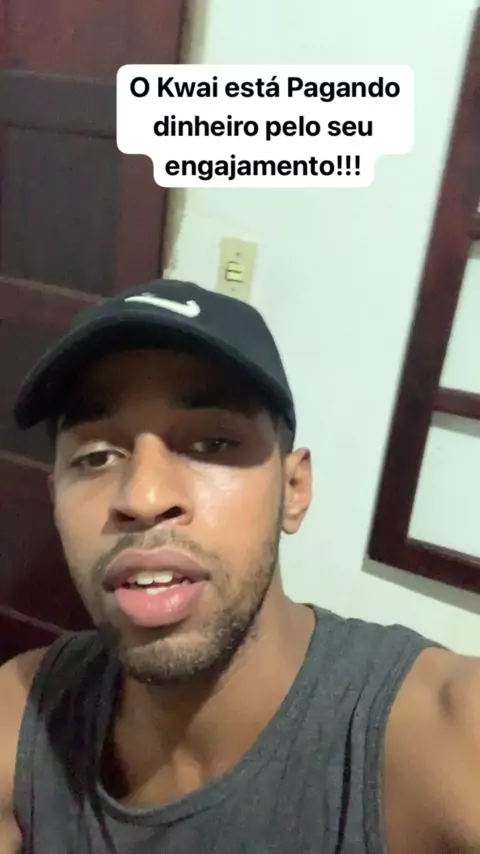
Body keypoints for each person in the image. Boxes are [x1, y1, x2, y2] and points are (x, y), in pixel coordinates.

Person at [0, 280, 479, 854]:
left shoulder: (444, 736)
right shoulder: (23, 711)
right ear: (56, 501)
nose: (144, 497)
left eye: (213, 444)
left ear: (294, 491)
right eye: (96, 457)